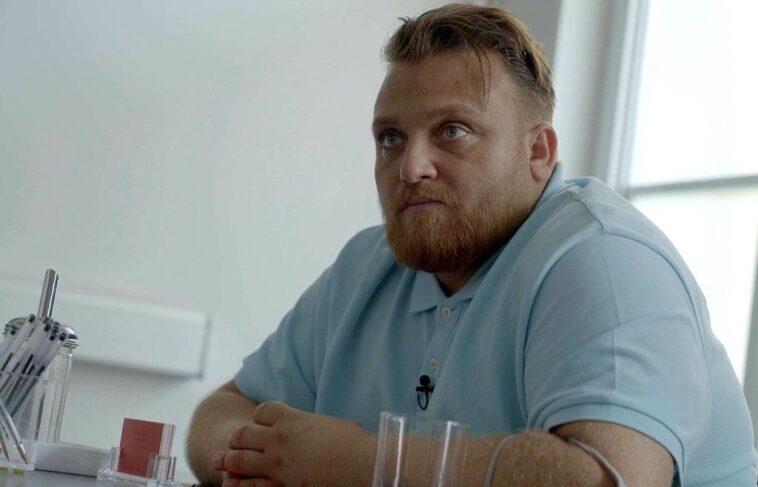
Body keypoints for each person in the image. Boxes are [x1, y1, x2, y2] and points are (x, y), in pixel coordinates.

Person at [186, 4, 757, 486]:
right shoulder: (367, 265)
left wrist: (354, 462)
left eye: (452, 131)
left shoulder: (607, 259)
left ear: (538, 153)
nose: (411, 167)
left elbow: (606, 476)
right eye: (391, 138)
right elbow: (220, 412)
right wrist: (258, 461)